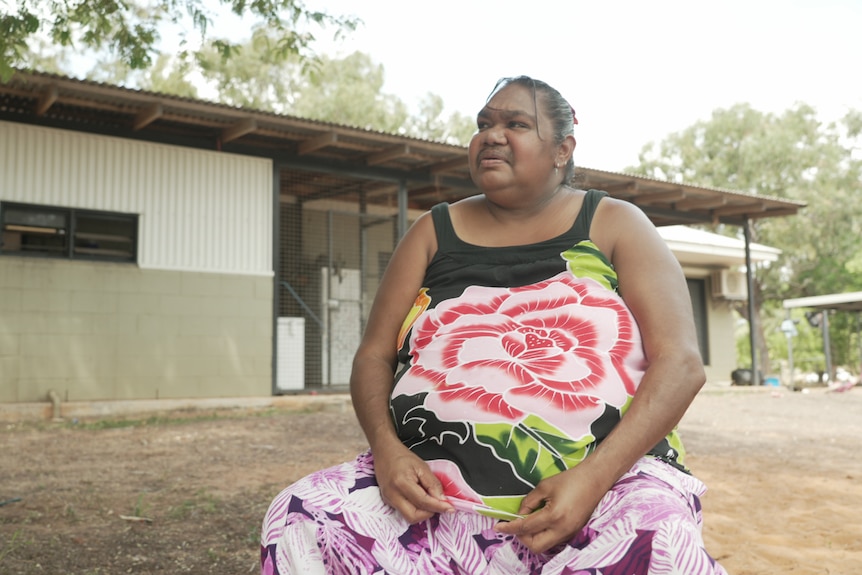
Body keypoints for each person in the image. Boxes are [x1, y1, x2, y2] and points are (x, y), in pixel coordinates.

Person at [261, 76, 727, 575]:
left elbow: (680, 363)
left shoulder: (615, 224)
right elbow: (374, 354)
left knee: (655, 542)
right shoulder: (431, 232)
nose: (492, 135)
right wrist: (388, 453)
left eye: (517, 124)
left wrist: (593, 479)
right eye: (484, 124)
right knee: (299, 518)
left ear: (562, 149)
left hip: (605, 482)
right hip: (432, 490)